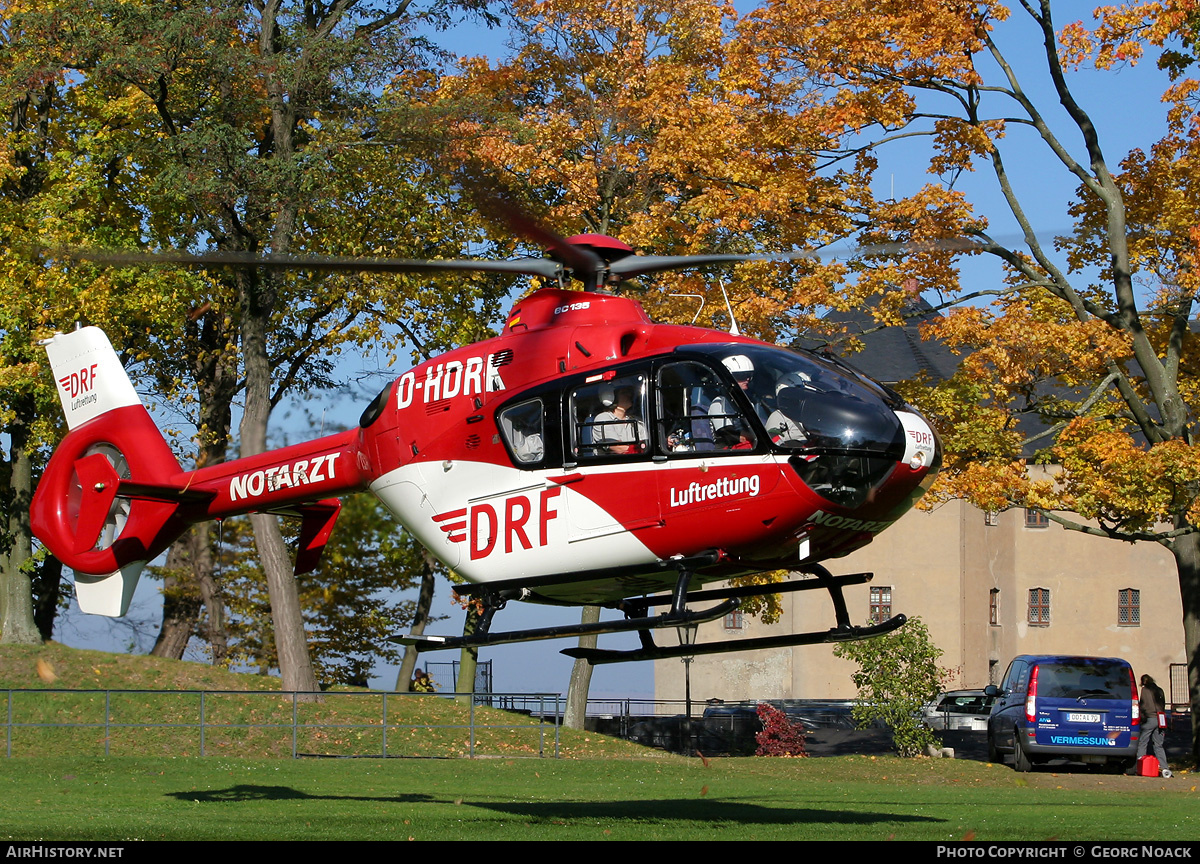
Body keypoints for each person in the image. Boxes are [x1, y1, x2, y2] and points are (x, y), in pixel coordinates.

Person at [1131, 673, 1169, 776]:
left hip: (1149, 718)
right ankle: (1164, 767)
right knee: (1158, 744)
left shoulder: (1145, 690)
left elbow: (1143, 705)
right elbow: (1163, 704)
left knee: (1143, 742)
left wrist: (1142, 717)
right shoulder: (1159, 690)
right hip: (1160, 718)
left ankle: (1140, 765)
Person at [589, 386, 646, 454]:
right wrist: (638, 449)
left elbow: (647, 443)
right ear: (610, 397)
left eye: (630, 392)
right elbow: (618, 448)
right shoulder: (603, 418)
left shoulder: (637, 420)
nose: (630, 395)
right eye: (624, 393)